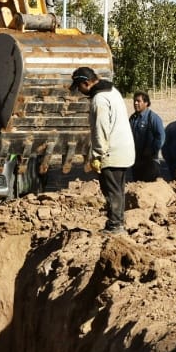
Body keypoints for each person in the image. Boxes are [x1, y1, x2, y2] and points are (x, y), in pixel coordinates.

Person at [70, 66, 136, 234]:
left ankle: (115, 225)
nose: (79, 91)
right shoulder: (112, 90)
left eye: (79, 87)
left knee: (111, 190)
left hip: (111, 151)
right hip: (124, 149)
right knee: (118, 189)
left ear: (86, 83)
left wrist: (98, 155)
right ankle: (118, 222)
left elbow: (101, 129)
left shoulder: (99, 99)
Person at [128, 91, 166, 182]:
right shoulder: (132, 118)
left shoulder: (153, 118)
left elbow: (161, 137)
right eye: (134, 101)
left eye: (138, 101)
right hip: (136, 161)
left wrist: (152, 149)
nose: (135, 103)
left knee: (149, 188)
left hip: (150, 161)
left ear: (146, 103)